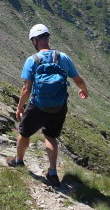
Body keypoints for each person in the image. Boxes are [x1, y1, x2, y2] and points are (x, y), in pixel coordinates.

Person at [7, 24, 89, 187]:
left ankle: (19, 161)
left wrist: (19, 108)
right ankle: (52, 173)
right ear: (47, 38)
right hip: (59, 106)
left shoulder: (32, 60)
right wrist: (84, 91)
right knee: (50, 136)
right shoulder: (63, 58)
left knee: (24, 133)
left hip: (38, 106)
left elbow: (26, 89)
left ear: (35, 41)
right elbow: (78, 80)